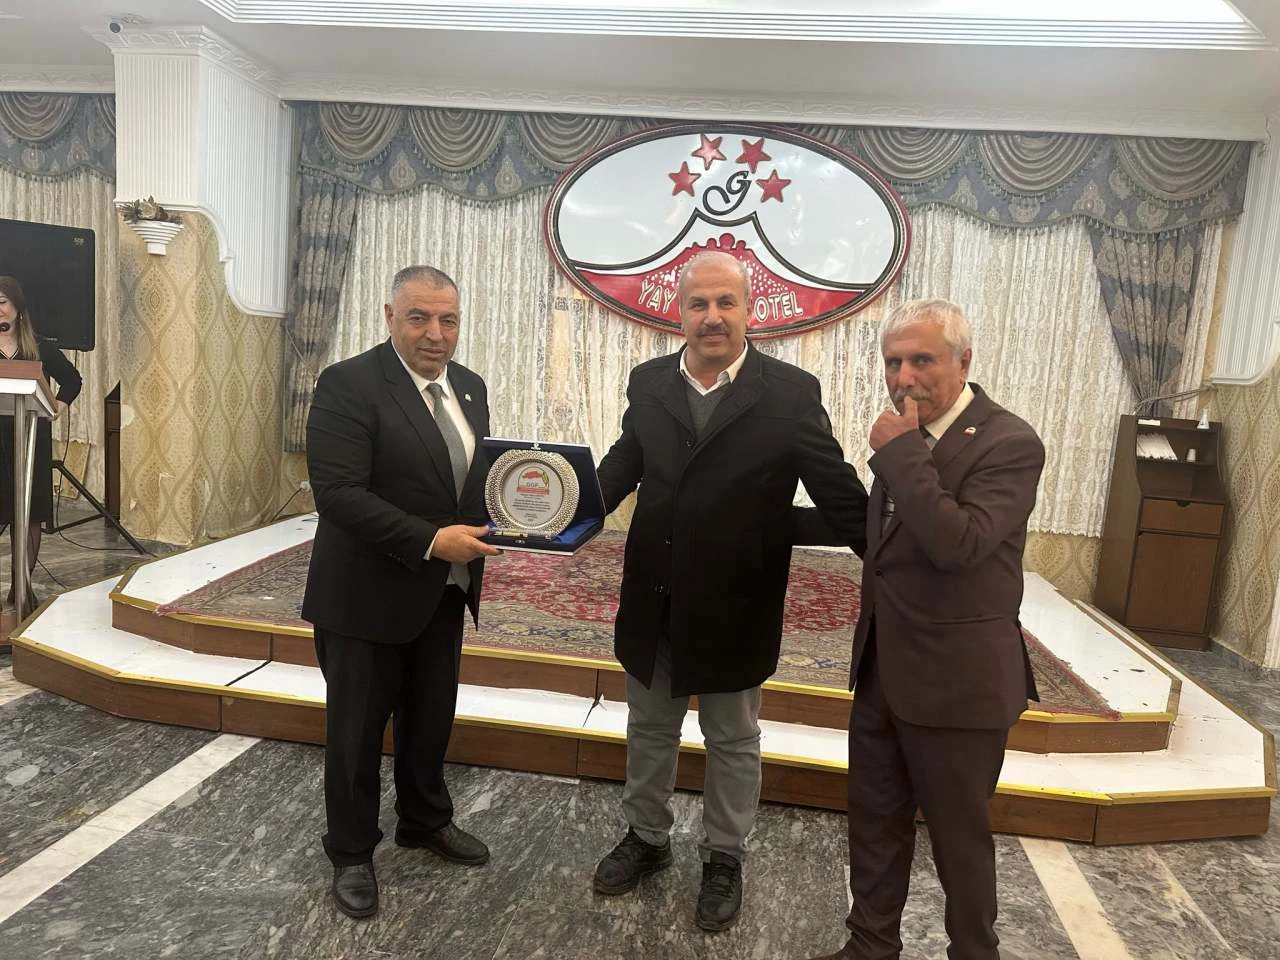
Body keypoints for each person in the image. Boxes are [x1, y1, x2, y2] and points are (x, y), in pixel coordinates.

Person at [593, 251, 869, 932]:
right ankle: (647, 837)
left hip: (737, 603)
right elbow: (625, 464)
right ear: (679, 310)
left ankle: (724, 855)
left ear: (750, 310)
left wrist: (887, 548)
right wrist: (556, 514)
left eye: (726, 303)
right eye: (699, 303)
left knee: (732, 737)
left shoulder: (790, 394)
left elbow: (835, 489)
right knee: (649, 727)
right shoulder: (648, 383)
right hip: (654, 595)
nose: (712, 316)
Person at [805, 298, 1044, 960]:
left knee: (958, 841)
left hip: (959, 685)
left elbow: (958, 544)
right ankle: (870, 947)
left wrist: (901, 453)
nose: (903, 377)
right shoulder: (906, 437)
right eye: (892, 362)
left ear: (964, 362)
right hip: (883, 671)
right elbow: (888, 545)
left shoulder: (1008, 442)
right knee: (874, 824)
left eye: (921, 360)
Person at [302, 265, 501, 919]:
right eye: (419, 317)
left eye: (448, 320)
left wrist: (521, 520)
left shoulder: (469, 387)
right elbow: (338, 494)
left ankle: (425, 820)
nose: (435, 333)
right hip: (365, 596)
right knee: (355, 734)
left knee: (430, 718)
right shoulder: (348, 384)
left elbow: (472, 484)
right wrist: (432, 540)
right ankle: (351, 851)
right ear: (389, 316)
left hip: (442, 593)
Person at [0, 276, 82, 609]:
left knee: (29, 511)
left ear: (18, 307)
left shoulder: (39, 346)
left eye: (2, 302)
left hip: (31, 437)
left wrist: (58, 407)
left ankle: (21, 586)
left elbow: (72, 380)